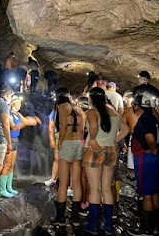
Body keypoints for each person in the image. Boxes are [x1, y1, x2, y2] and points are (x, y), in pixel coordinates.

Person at [83, 87, 129, 235]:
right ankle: (108, 225)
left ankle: (93, 224)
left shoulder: (92, 112)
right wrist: (116, 140)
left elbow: (94, 126)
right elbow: (126, 129)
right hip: (110, 150)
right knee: (107, 188)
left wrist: (93, 139)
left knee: (95, 188)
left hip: (95, 150)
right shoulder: (114, 113)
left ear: (92, 99)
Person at [128, 95, 159, 236]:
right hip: (152, 158)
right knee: (154, 192)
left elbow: (150, 138)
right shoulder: (152, 117)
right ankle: (155, 226)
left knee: (147, 193)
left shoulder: (144, 119)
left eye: (134, 105)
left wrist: (152, 149)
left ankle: (145, 228)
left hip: (145, 158)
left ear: (138, 105)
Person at [51, 87, 84, 227]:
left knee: (63, 182)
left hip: (68, 142)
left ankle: (61, 217)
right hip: (78, 143)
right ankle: (75, 218)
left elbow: (63, 126)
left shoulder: (62, 106)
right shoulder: (77, 107)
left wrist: (60, 142)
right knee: (76, 181)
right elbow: (82, 128)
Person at [0, 95, 41, 197]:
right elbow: (13, 127)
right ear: (12, 103)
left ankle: (9, 186)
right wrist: (25, 124)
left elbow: (25, 120)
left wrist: (33, 119)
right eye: (18, 103)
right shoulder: (8, 114)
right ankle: (1, 189)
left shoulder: (17, 114)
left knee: (12, 165)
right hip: (9, 140)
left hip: (15, 140)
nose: (20, 105)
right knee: (6, 164)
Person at [44, 103, 59, 186]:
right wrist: (51, 139)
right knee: (57, 158)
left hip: (68, 136)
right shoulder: (54, 112)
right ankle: (53, 178)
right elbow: (51, 127)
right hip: (58, 135)